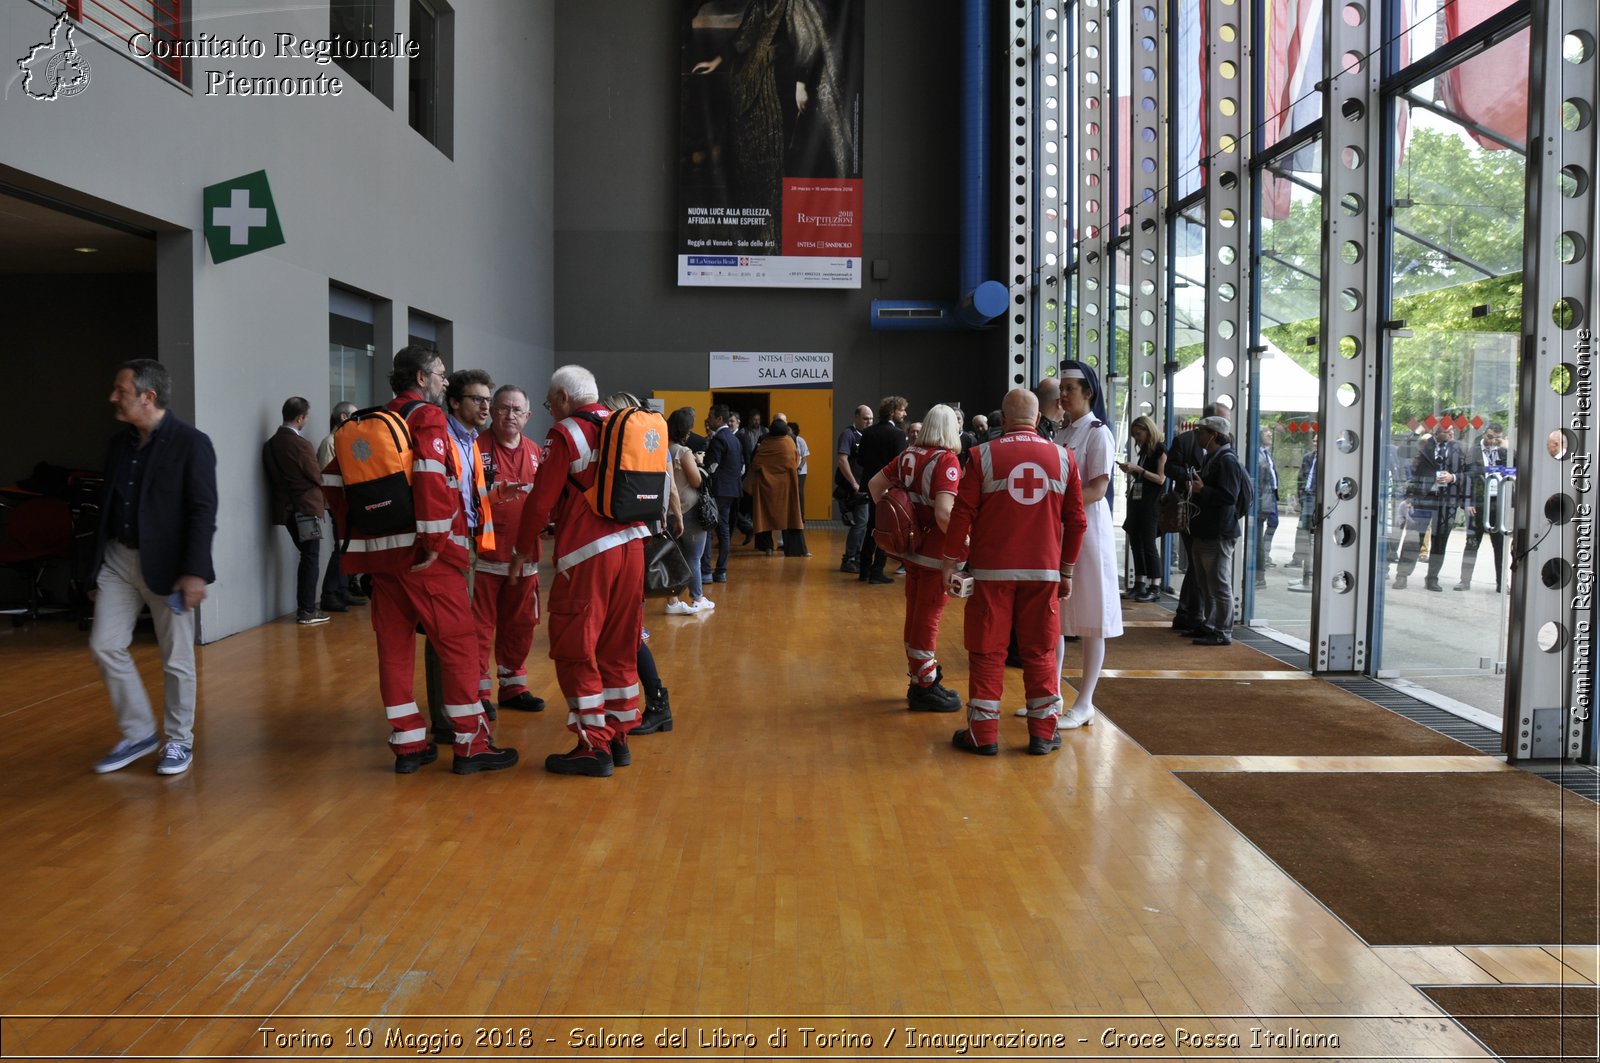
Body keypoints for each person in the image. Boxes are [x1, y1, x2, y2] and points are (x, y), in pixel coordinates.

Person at [323, 345, 518, 775]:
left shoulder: (363, 422)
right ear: (421, 378)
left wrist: (361, 537)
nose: (446, 381)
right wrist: (432, 540)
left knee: (393, 650)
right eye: (441, 374)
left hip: (380, 557)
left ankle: (408, 745)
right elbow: (431, 475)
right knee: (459, 645)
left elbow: (333, 483)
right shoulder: (425, 417)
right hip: (427, 555)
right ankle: (470, 743)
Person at [508, 365, 653, 777]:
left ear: (563, 398)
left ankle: (593, 746)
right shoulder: (622, 424)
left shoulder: (566, 432)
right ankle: (618, 735)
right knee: (619, 645)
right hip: (633, 546)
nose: (549, 410)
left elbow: (541, 501)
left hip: (589, 554)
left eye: (549, 402)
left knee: (575, 647)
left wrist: (523, 549)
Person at [89, 359, 218, 776]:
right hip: (117, 560)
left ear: (149, 397)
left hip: (170, 566)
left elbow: (203, 510)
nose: (113, 397)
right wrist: (92, 571)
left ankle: (179, 741)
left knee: (176, 659)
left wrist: (195, 571)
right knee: (104, 644)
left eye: (121, 391)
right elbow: (107, 507)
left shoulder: (191, 443)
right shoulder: (117, 445)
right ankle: (140, 732)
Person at [942, 389, 1087, 756]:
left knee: (988, 650)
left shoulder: (981, 455)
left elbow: (962, 514)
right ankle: (1042, 733)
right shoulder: (1065, 459)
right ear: (1038, 419)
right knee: (1040, 651)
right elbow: (1077, 522)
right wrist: (1066, 571)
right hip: (1044, 574)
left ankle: (983, 734)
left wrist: (951, 562)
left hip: (991, 574)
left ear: (1003, 420)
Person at [868, 403, 964, 712]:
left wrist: (903, 517)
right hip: (936, 554)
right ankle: (925, 686)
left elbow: (875, 485)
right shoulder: (946, 461)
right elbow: (944, 513)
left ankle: (918, 678)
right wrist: (966, 541)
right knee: (929, 618)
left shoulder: (908, 455)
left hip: (910, 551)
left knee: (915, 615)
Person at [423, 369, 499, 734]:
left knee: (454, 632)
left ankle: (456, 708)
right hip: (444, 548)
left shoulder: (471, 441)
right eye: (477, 399)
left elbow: (466, 496)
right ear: (454, 401)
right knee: (445, 633)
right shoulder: (443, 437)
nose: (486, 406)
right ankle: (446, 719)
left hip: (464, 544)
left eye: (488, 399)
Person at [1053, 361, 1124, 727]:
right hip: (1060, 530)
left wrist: (1057, 503)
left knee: (1093, 617)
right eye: (1061, 388)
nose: (1062, 394)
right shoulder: (1062, 433)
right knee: (1057, 617)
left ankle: (1085, 702)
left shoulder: (1098, 433)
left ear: (1088, 392)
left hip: (1088, 532)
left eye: (1069, 388)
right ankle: (1053, 694)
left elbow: (1098, 488)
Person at [472, 384, 546, 712]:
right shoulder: (475, 447)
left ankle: (513, 688)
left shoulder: (536, 452)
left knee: (521, 625)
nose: (509, 415)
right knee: (478, 628)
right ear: (492, 411)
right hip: (484, 559)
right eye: (503, 408)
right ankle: (477, 695)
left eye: (517, 410)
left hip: (526, 559)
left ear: (528, 416)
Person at [1179, 415, 1247, 645]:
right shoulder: (1215, 457)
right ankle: (1210, 625)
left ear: (1214, 435)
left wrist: (1201, 490)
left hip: (1219, 532)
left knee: (1218, 584)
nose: (1198, 435)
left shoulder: (1226, 460)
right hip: (1207, 530)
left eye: (1202, 432)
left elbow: (1229, 496)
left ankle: (1222, 631)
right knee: (1206, 583)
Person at [262, 396, 328, 626]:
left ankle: (306, 609)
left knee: (306, 556)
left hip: (285, 509)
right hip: (306, 508)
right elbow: (315, 474)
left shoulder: (270, 445)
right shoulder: (301, 444)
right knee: (310, 557)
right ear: (300, 418)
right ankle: (307, 610)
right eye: (306, 417)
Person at [1393, 422, 1464, 591]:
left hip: (1447, 501)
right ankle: (1402, 575)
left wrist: (1453, 477)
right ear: (1436, 432)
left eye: (1452, 430)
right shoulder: (1424, 445)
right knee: (1413, 538)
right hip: (1423, 498)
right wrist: (1417, 431)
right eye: (1447, 430)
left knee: (1440, 540)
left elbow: (1472, 471)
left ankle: (1432, 578)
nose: (1451, 433)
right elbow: (1402, 451)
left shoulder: (1459, 449)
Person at [1166, 404, 1217, 630]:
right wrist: (1190, 478)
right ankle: (1192, 614)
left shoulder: (1227, 444)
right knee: (1196, 563)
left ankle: (1186, 612)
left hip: (1210, 510)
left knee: (1197, 565)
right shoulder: (1185, 440)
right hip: (1189, 508)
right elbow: (1170, 469)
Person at [666, 408, 715, 615]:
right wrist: (699, 462)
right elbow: (696, 480)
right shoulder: (682, 452)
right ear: (685, 430)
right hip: (689, 510)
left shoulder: (662, 448)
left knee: (673, 557)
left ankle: (672, 600)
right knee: (694, 557)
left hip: (667, 510)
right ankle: (697, 598)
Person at [316, 401, 364, 611]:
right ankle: (329, 594)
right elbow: (330, 478)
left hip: (351, 502)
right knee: (340, 548)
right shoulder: (330, 442)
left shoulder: (348, 440)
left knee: (347, 548)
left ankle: (342, 590)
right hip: (340, 504)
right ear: (343, 417)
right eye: (354, 415)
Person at [856, 395, 909, 583]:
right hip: (889, 488)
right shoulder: (898, 435)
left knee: (871, 525)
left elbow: (860, 460)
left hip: (870, 486)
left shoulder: (868, 433)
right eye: (902, 410)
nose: (904, 413)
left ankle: (863, 570)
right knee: (886, 527)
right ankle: (877, 571)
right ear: (893, 411)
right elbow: (901, 463)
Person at [1116, 414, 1167, 603]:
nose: (1137, 438)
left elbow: (1161, 479)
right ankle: (1139, 583)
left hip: (1151, 504)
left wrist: (1138, 470)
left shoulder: (1160, 450)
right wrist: (1132, 471)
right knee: (1136, 543)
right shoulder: (1145, 450)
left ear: (1148, 430)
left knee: (1148, 544)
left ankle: (1155, 585)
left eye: (1139, 434)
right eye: (1135, 435)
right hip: (1138, 501)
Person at [1458, 423, 1509, 592]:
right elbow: (1466, 478)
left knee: (1500, 545)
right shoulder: (1472, 451)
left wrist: (1507, 449)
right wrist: (1466, 502)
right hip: (1477, 503)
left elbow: (1515, 471)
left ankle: (1501, 583)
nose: (1492, 440)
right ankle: (1465, 581)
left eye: (1496, 437)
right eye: (1489, 436)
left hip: (1497, 503)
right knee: (1472, 542)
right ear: (1484, 434)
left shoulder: (1503, 452)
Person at [747, 419, 809, 557]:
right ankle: (792, 549)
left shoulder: (765, 443)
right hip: (786, 487)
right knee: (789, 516)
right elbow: (795, 461)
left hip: (766, 487)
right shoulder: (789, 443)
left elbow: (755, 464)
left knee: (765, 516)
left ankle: (767, 546)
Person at [701, 404, 744, 584]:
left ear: (719, 419)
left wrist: (698, 461)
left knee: (707, 529)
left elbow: (711, 466)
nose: (708, 420)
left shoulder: (719, 439)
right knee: (724, 531)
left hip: (718, 490)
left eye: (711, 416)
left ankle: (705, 572)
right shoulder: (735, 439)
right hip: (732, 490)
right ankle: (721, 571)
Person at [835, 404, 873, 571]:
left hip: (866, 486)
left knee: (864, 524)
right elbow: (842, 460)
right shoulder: (848, 434)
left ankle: (857, 556)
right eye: (865, 419)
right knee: (861, 523)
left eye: (871, 419)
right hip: (854, 488)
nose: (869, 422)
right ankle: (849, 558)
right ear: (856, 418)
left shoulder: (869, 436)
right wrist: (854, 483)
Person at [1254, 427, 1280, 587]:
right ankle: (1259, 575)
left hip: (1270, 500)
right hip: (1262, 502)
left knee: (1269, 529)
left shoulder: (1266, 454)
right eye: (1266, 433)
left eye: (1271, 432)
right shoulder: (1257, 455)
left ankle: (1261, 567)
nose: (1270, 434)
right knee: (1256, 539)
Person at [791, 420, 810, 518]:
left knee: (799, 492)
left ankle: (801, 515)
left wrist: (799, 467)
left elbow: (805, 456)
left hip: (800, 472)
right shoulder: (787, 441)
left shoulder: (800, 440)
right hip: (790, 471)